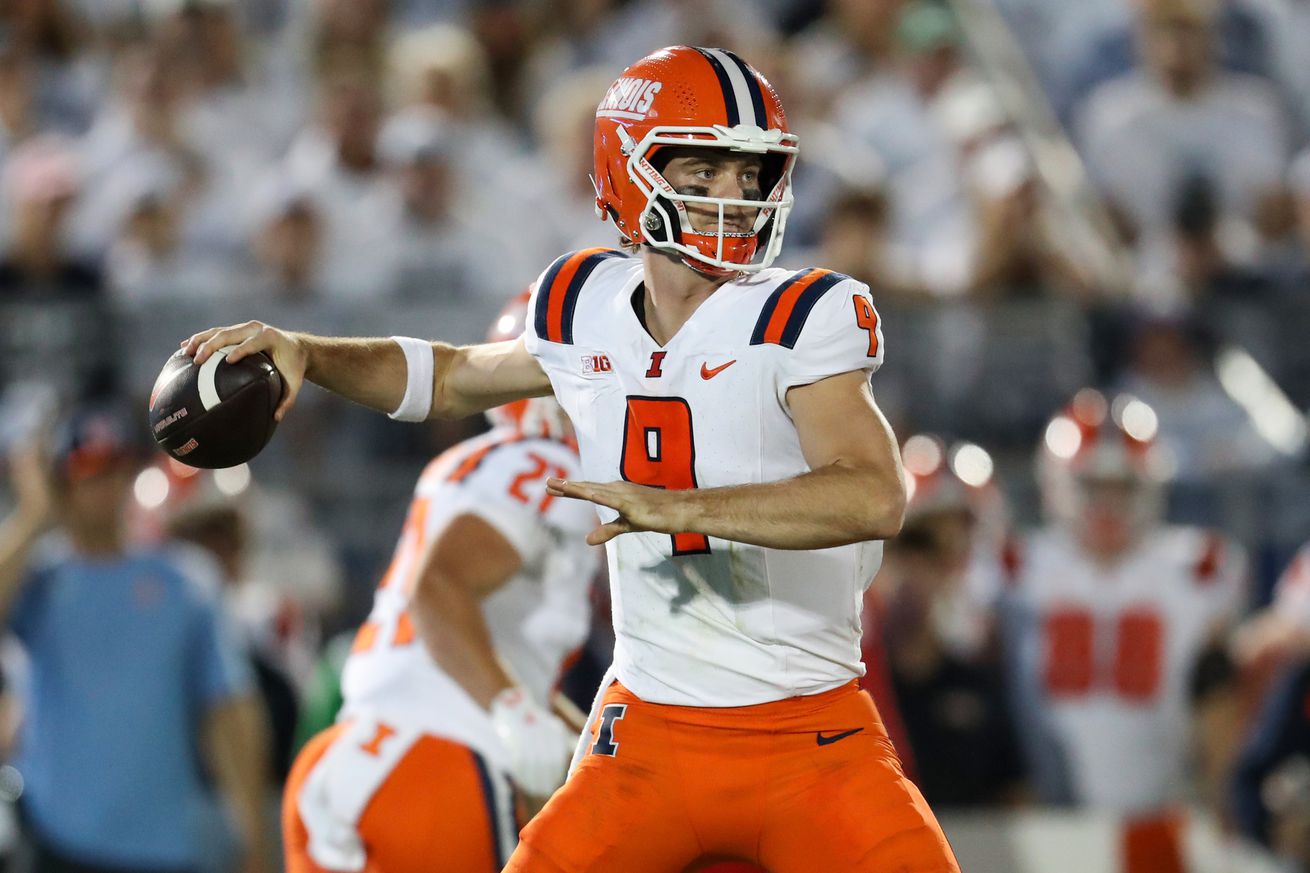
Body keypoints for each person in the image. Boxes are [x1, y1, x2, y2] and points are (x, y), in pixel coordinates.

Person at [184, 45, 958, 872]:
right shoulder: (580, 303)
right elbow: (447, 376)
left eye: (749, 174)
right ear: (629, 175)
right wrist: (306, 348)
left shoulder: (807, 312)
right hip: (652, 727)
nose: (734, 198)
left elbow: (874, 494)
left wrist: (685, 507)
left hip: (812, 728)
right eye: (702, 173)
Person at [280, 294, 599, 872]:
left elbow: (479, 636)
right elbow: (439, 590)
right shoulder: (550, 467)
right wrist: (514, 712)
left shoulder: (461, 464)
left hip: (344, 754)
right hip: (436, 770)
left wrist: (581, 742)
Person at [0, 406, 271, 873]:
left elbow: (230, 709)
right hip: (53, 841)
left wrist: (251, 831)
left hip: (161, 847)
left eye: (116, 468)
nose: (107, 486)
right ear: (64, 483)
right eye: (90, 471)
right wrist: (31, 514)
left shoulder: (183, 582)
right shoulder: (41, 579)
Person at [1002, 388, 1246, 873]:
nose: (1108, 506)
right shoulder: (1018, 566)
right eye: (1093, 486)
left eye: (1123, 488)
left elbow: (1220, 701)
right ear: (1058, 484)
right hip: (1047, 814)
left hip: (1165, 809)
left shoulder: (1198, 566)